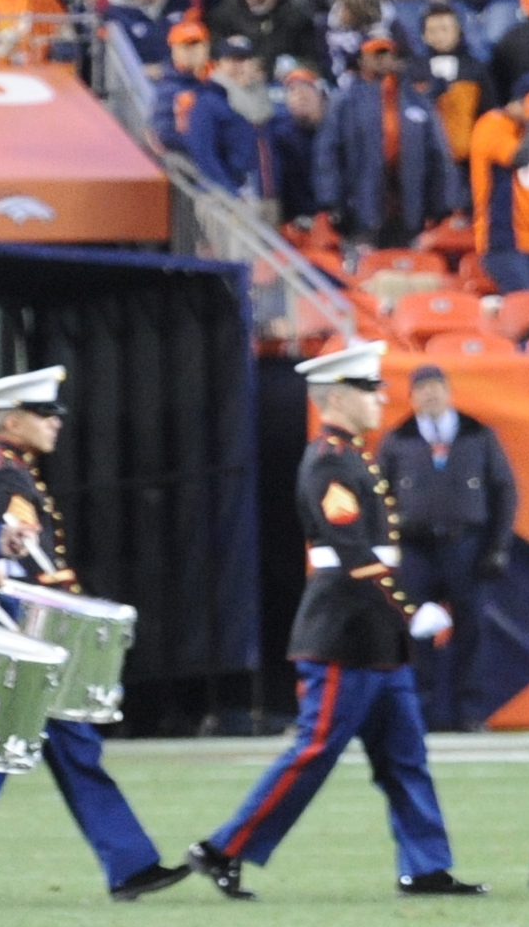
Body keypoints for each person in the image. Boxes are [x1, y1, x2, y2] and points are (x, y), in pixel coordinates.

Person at [192, 342, 470, 896]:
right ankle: (223, 848)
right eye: (369, 390)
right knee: (315, 752)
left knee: (405, 756)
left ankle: (427, 865)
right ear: (337, 397)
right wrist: (412, 612)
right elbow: (350, 553)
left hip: (376, 635)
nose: (380, 399)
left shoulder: (354, 457)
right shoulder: (328, 462)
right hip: (343, 633)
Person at [0, 365, 191, 901]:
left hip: (34, 640)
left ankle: (131, 865)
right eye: (44, 413)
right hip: (21, 640)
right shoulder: (1, 478)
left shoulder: (14, 473)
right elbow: (18, 568)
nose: (55, 423)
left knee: (67, 752)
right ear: (12, 420)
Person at [379, 366, 518, 730]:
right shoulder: (398, 440)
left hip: (466, 545)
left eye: (436, 388)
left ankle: (470, 712)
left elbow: (503, 490)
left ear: (448, 391)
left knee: (471, 630)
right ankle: (419, 711)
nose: (430, 395)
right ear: (411, 397)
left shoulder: (478, 435)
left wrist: (497, 546)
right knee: (416, 630)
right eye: (421, 389)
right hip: (415, 547)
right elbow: (380, 498)